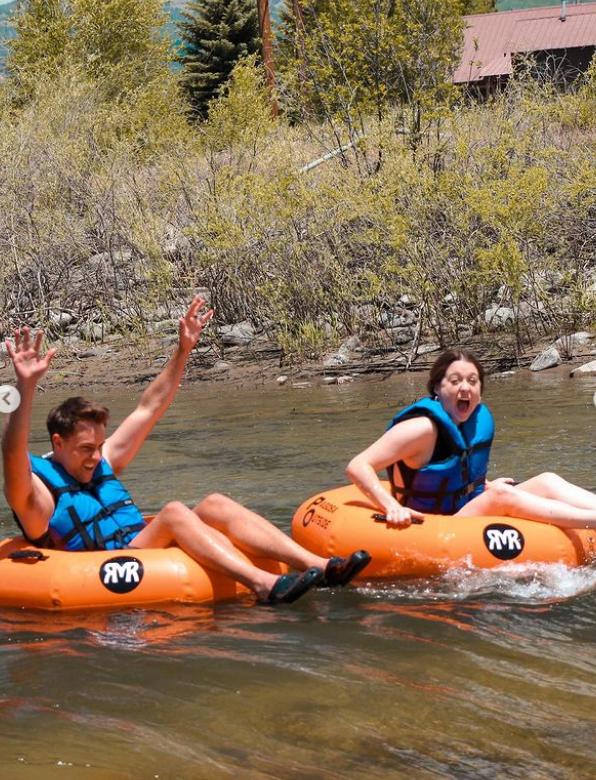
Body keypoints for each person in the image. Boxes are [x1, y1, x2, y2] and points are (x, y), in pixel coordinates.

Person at [2, 296, 370, 604]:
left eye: (100, 445)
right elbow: (12, 456)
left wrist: (183, 350)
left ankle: (320, 567)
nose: (97, 456)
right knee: (175, 512)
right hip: (99, 569)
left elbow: (150, 407)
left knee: (213, 504)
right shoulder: (38, 496)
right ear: (57, 443)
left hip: (137, 546)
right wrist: (25, 387)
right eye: (86, 448)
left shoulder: (100, 461)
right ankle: (264, 585)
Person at [346, 349, 596, 529]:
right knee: (500, 495)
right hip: (431, 523)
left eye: (472, 381)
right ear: (436, 388)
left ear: (480, 391)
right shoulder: (421, 428)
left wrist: (481, 483)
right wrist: (391, 506)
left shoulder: (474, 421)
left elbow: (458, 467)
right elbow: (358, 466)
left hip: (465, 506)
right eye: (455, 381)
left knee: (547, 481)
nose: (465, 387)